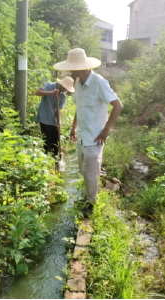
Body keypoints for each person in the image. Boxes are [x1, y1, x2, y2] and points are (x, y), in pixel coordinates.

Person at [53, 48, 123, 217]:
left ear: (81, 67)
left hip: (95, 137)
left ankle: (91, 206)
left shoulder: (99, 83)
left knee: (91, 175)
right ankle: (87, 197)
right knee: (84, 172)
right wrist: (74, 127)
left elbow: (118, 105)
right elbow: (80, 107)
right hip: (83, 137)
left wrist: (106, 130)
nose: (70, 70)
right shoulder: (78, 84)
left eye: (72, 67)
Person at [35, 76, 75, 158]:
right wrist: (51, 92)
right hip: (45, 119)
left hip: (54, 121)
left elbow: (58, 110)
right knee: (46, 143)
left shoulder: (63, 95)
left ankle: (56, 163)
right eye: (65, 88)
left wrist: (59, 122)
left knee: (55, 145)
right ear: (62, 85)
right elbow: (37, 92)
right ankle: (45, 162)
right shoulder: (49, 85)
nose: (66, 90)